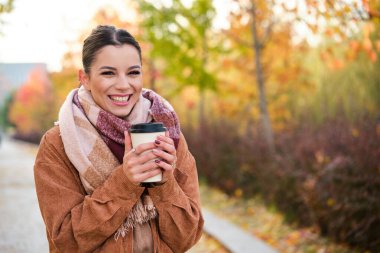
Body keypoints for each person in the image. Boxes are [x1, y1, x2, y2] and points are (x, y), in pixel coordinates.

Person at [34, 25, 204, 253]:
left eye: (133, 72)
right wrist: (124, 182)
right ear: (84, 78)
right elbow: (65, 241)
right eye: (108, 73)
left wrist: (164, 184)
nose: (124, 85)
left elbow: (187, 238)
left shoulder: (168, 134)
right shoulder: (59, 144)